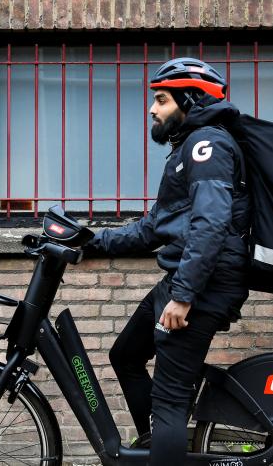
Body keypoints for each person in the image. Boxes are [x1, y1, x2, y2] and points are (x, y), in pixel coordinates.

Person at [85, 57, 252, 464]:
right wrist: (89, 240)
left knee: (170, 402)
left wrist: (184, 296)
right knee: (126, 355)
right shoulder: (187, 149)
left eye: (161, 99)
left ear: (189, 101)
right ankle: (155, 449)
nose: (151, 108)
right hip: (187, 280)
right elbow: (155, 228)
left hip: (203, 286)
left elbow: (211, 225)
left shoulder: (205, 146)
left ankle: (166, 446)